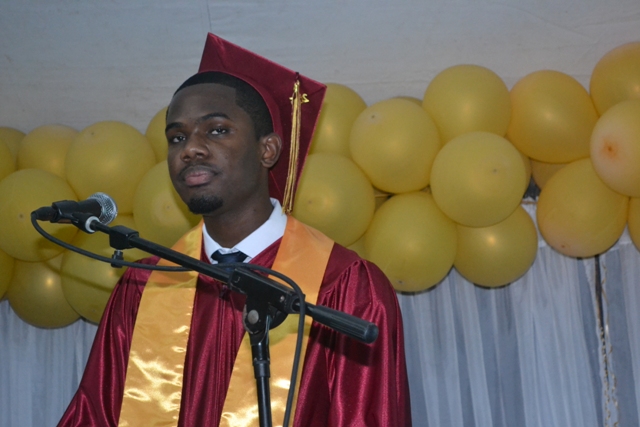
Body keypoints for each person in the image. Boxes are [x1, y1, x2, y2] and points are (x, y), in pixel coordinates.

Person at [58, 33, 411, 427]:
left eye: (217, 130)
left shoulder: (344, 287)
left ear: (268, 150)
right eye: (177, 138)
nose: (190, 148)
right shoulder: (145, 285)